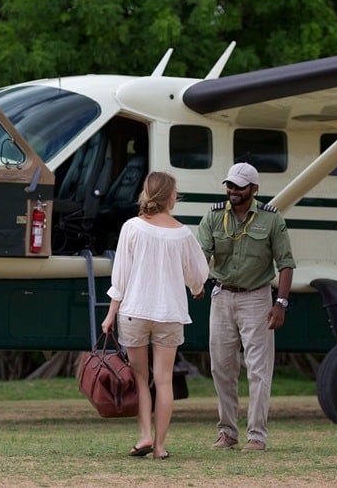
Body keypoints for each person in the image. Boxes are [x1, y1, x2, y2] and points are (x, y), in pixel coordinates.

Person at [101, 171, 209, 460]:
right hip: (170, 314)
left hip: (135, 312)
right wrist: (196, 288)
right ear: (170, 197)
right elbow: (199, 274)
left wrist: (111, 314)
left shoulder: (132, 228)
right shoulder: (184, 234)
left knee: (140, 378)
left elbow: (120, 278)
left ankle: (144, 436)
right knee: (163, 380)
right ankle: (159, 447)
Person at [197, 162, 295, 452]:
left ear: (254, 189)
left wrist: (281, 303)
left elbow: (286, 263)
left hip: (257, 297)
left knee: (258, 369)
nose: (233, 191)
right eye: (230, 185)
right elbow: (200, 255)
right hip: (222, 296)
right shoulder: (214, 216)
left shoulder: (271, 219)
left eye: (239, 186)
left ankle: (257, 436)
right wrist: (195, 283)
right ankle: (227, 432)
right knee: (221, 368)